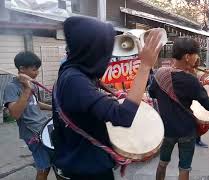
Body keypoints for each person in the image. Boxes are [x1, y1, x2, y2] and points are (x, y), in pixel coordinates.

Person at [51, 16, 163, 180]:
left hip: (83, 162)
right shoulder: (75, 81)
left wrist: (117, 94)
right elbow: (123, 116)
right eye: (105, 50)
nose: (108, 56)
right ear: (92, 50)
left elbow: (94, 86)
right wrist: (145, 66)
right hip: (87, 169)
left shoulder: (72, 70)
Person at [149, 37, 209, 180]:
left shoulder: (160, 74)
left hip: (166, 129)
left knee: (162, 163)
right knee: (184, 168)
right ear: (187, 57)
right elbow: (208, 105)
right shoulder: (190, 80)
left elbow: (152, 93)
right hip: (186, 131)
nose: (198, 58)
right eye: (196, 54)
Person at [3, 51, 53, 180]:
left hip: (43, 126)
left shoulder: (32, 85)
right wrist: (26, 90)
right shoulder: (12, 87)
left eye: (37, 70)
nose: (36, 73)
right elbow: (15, 114)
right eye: (34, 69)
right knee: (44, 167)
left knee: (54, 163)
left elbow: (36, 103)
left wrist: (54, 108)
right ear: (21, 69)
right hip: (32, 134)